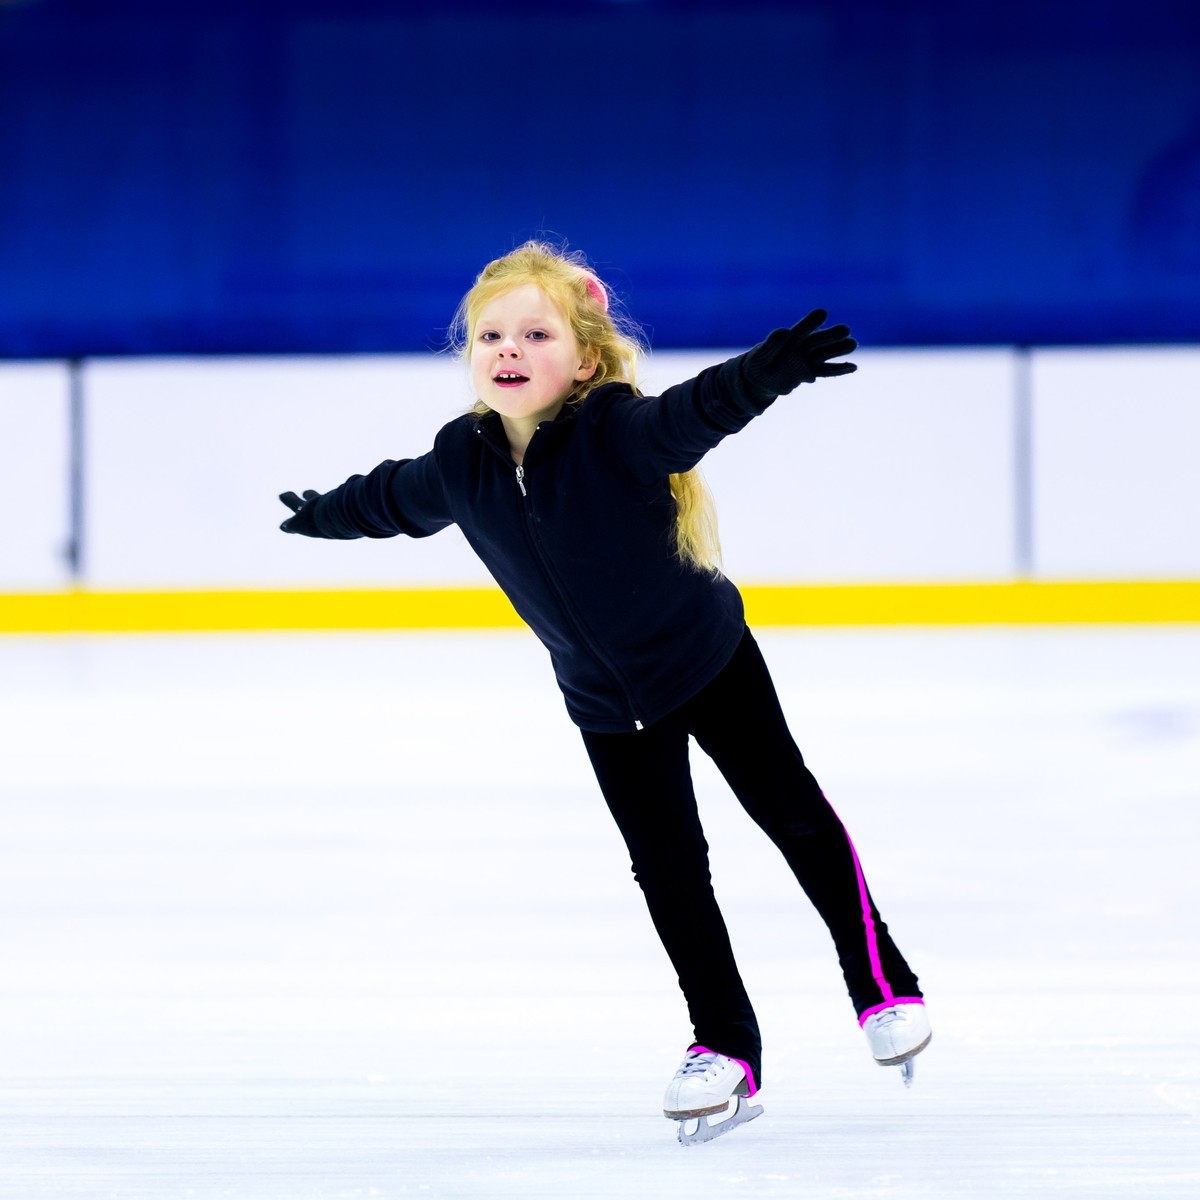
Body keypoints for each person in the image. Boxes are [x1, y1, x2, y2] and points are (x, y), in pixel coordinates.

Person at [278, 241, 930, 1144]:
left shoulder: (614, 429)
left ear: (583, 358)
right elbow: (394, 499)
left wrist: (766, 374)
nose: (508, 349)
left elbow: (693, 414)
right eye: (490, 335)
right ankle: (727, 1047)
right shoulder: (462, 459)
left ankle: (882, 986)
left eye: (535, 333)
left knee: (792, 815)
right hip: (604, 701)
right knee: (669, 871)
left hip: (707, 656)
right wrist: (326, 512)